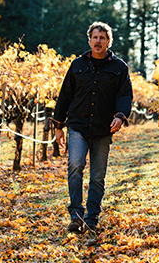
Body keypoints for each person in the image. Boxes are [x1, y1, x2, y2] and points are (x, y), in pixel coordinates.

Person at [53, 21, 133, 234]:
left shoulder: (119, 68)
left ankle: (92, 218)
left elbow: (125, 96)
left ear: (108, 41)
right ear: (89, 40)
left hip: (103, 128)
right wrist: (58, 125)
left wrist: (120, 115)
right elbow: (65, 95)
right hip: (78, 125)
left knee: (97, 176)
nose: (98, 41)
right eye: (95, 37)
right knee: (75, 165)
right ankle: (76, 215)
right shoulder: (77, 65)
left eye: (102, 38)